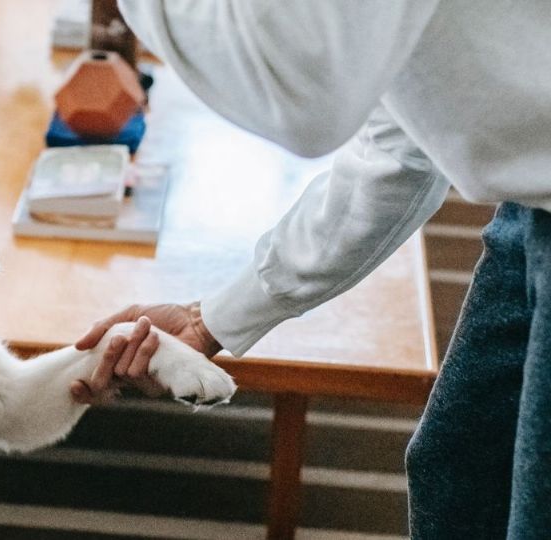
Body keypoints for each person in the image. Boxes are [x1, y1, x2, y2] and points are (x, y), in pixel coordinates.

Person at [70, 1, 551, 538]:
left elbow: (299, 97)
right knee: (457, 479)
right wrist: (211, 319)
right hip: (531, 205)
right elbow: (399, 143)